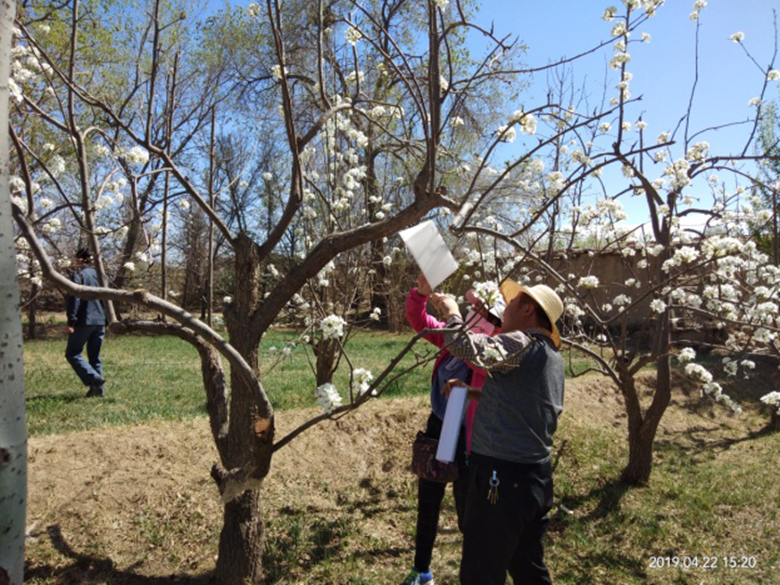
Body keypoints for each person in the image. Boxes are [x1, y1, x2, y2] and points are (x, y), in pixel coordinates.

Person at [433, 280, 565, 584]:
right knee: (528, 567)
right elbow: (529, 406)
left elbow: (465, 346)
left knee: (481, 572)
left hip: (500, 480)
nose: (502, 311)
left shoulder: (521, 342)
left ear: (528, 309)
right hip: (535, 480)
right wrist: (472, 392)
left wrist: (453, 313)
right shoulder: (551, 358)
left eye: (510, 304)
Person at [401, 275, 502, 585]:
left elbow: (483, 375)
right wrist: (422, 292)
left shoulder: (494, 351)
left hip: (471, 435)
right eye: (473, 310)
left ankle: (475, 575)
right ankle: (422, 571)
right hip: (443, 425)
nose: (475, 315)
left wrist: (452, 316)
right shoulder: (451, 341)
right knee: (430, 496)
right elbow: (419, 320)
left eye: (483, 313)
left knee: (467, 510)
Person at [65, 247, 107, 397]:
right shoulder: (100, 276)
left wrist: (71, 321)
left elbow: (74, 299)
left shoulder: (78, 275)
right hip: (100, 320)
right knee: (94, 357)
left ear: (80, 260)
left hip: (84, 320)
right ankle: (98, 392)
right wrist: (107, 319)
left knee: (73, 353)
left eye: (76, 259)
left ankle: (94, 379)